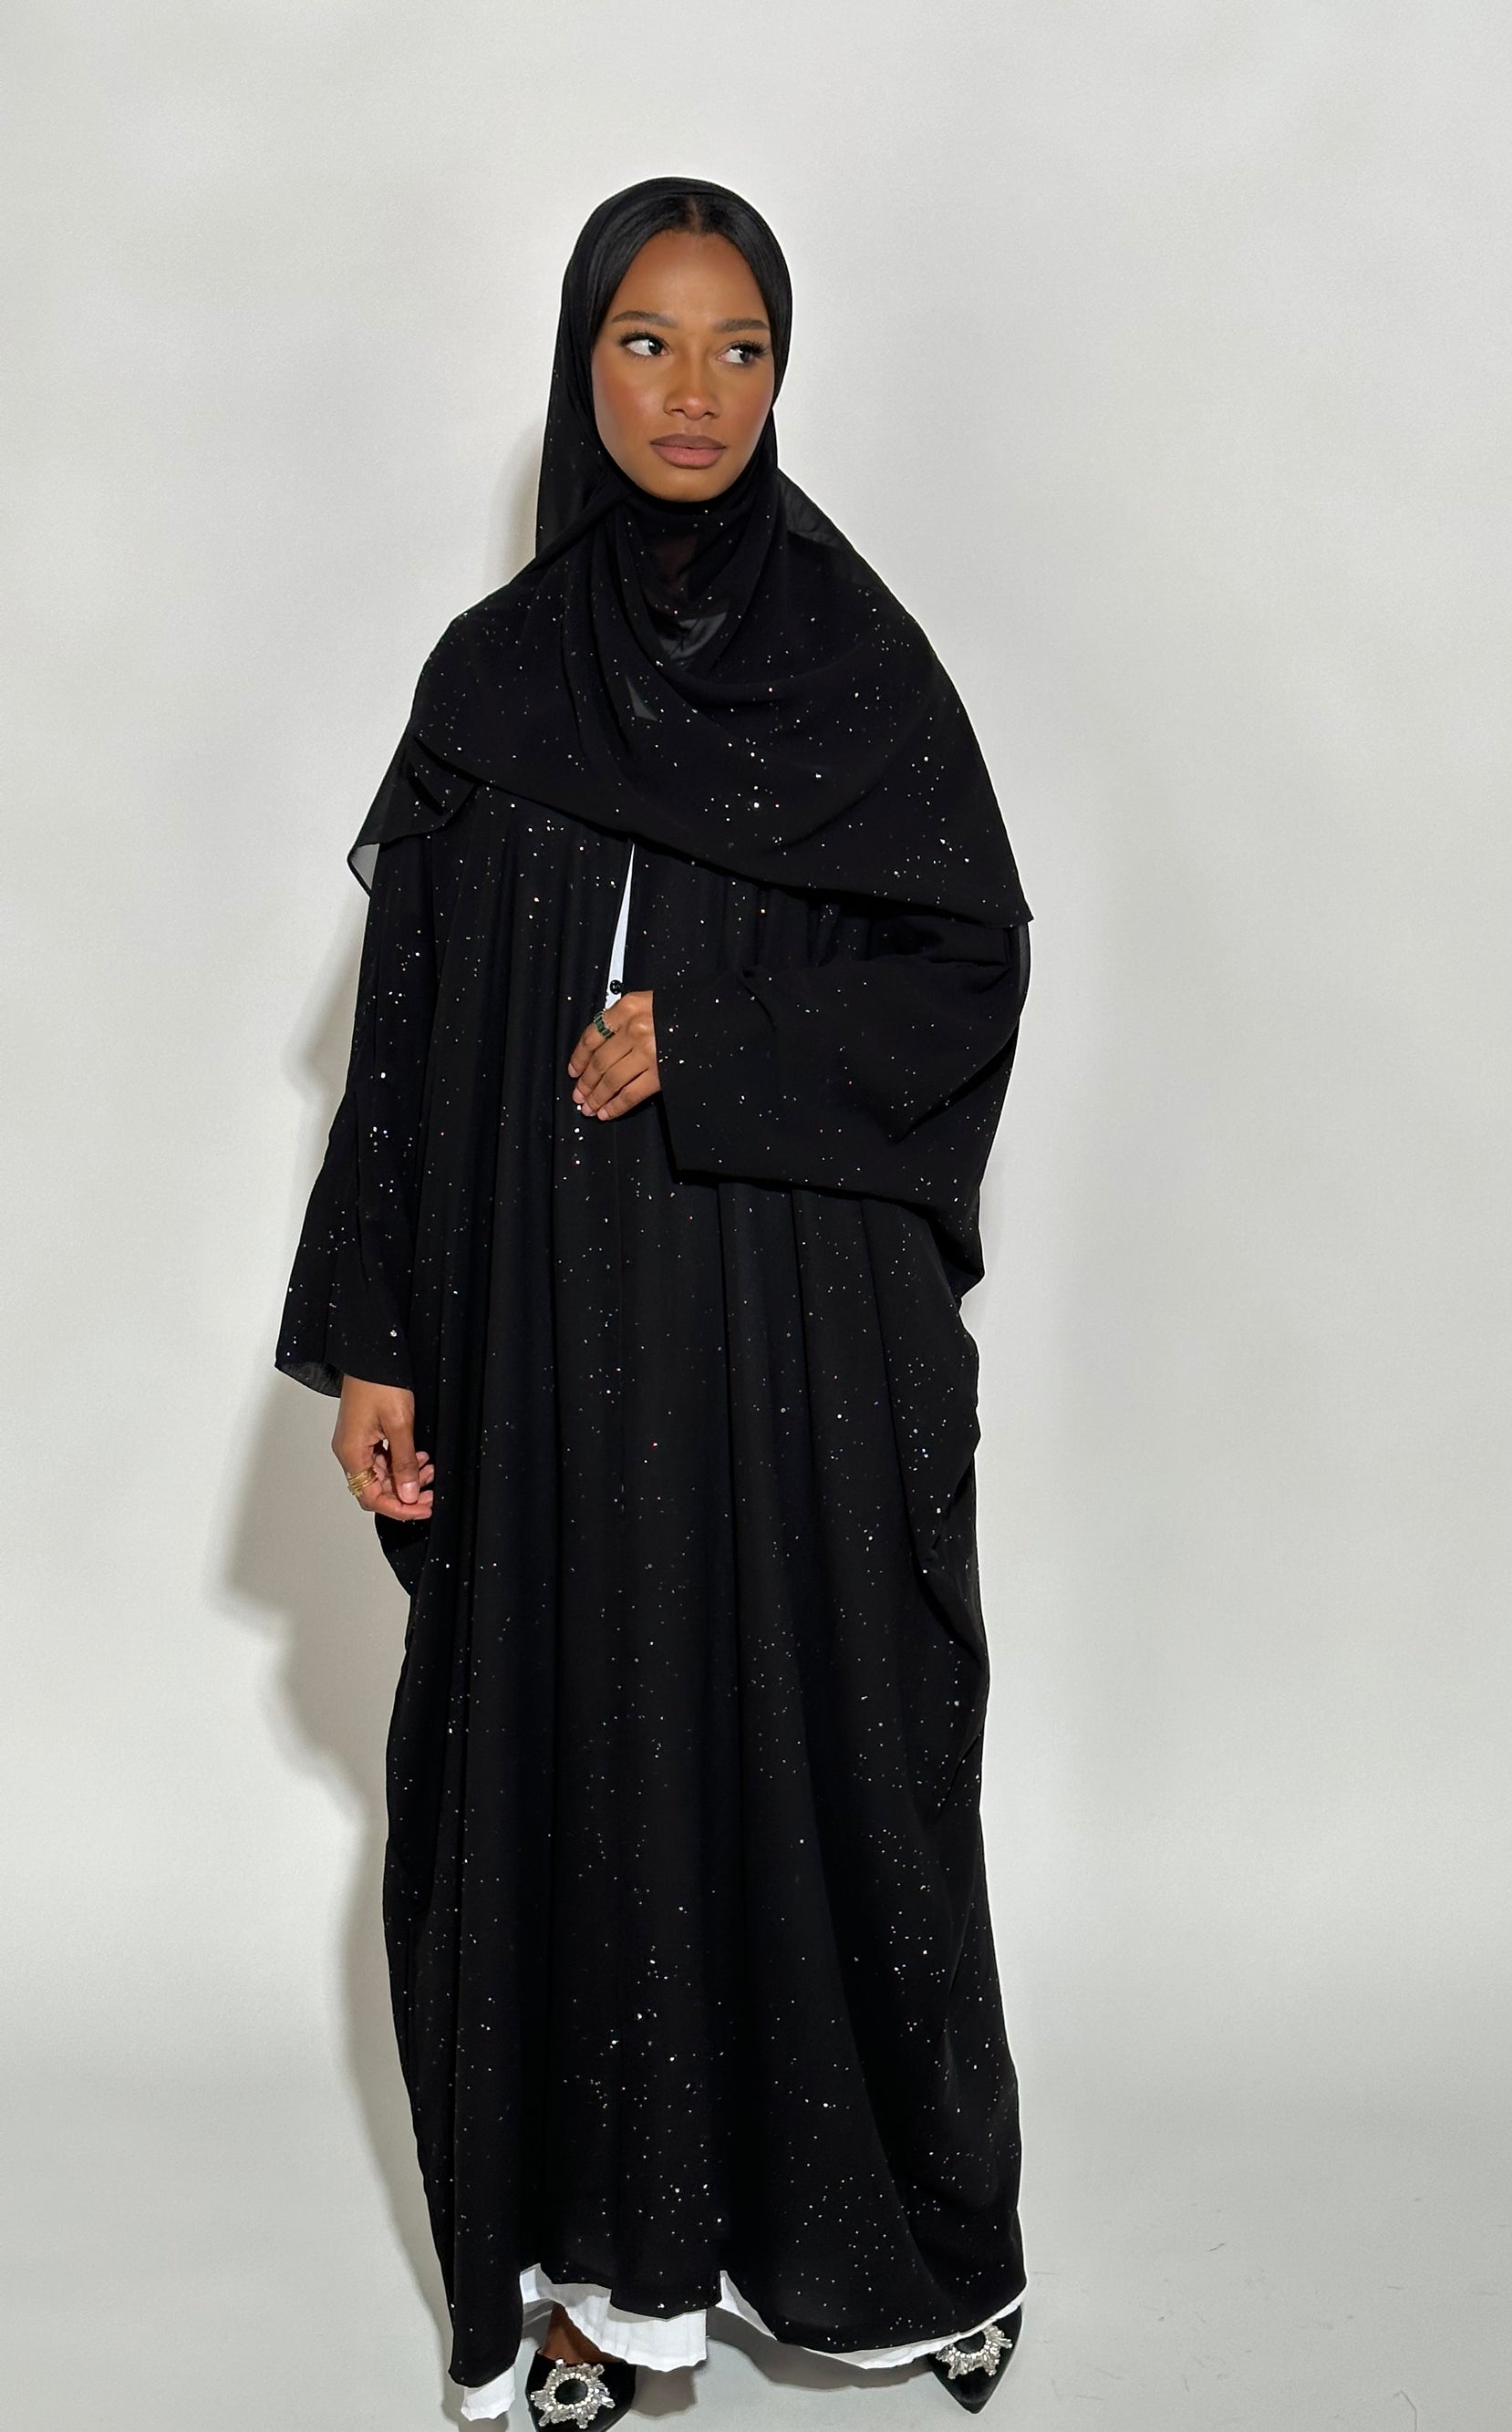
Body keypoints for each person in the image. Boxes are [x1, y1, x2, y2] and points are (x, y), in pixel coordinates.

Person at [276, 177, 1031, 2426]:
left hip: (796, 1346)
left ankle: (903, 2252)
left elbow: (966, 972)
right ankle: (611, 2287)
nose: (693, 392)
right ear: (578, 361)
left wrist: (715, 1037)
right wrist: (378, 1332)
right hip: (544, 1341)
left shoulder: (861, 666)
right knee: (573, 1764)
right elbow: (403, 1032)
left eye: (737, 347)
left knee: (834, 1761)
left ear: (784, 374)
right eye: (645, 340)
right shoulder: (496, 675)